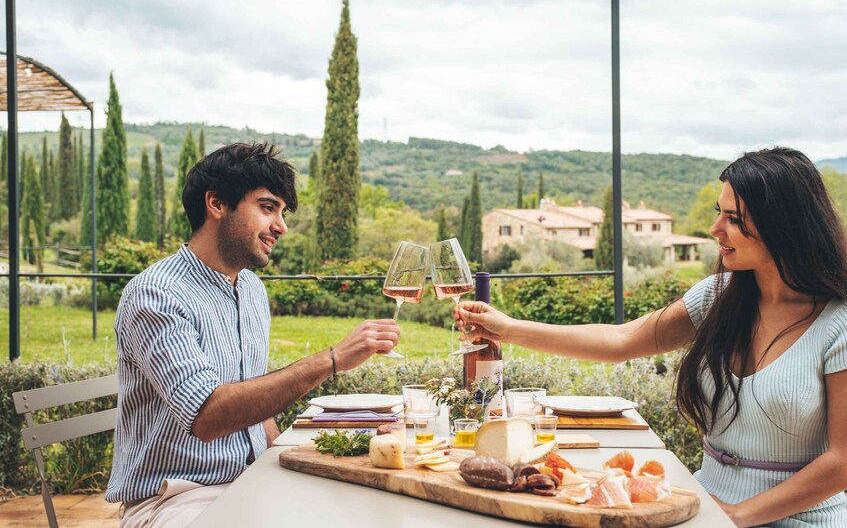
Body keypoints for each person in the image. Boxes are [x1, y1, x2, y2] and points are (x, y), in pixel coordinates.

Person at [455, 147, 847, 527]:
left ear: (782, 225)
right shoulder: (718, 297)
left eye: (733, 218)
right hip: (704, 504)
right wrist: (507, 328)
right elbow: (622, 340)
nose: (715, 229)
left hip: (799, 520)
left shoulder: (838, 322)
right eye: (718, 213)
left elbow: (842, 460)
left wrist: (738, 516)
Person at [106, 142, 401, 528]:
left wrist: (287, 457)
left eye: (281, 211)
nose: (281, 226)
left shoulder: (250, 288)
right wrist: (331, 359)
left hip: (250, 480)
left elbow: (251, 406)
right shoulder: (157, 294)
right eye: (267, 208)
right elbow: (207, 416)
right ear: (216, 204)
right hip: (176, 497)